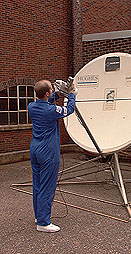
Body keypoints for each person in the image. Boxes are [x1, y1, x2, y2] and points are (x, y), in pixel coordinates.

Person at [28, 79, 76, 232]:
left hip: (35, 149)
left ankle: (39, 215)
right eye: (51, 89)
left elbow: (46, 101)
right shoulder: (51, 111)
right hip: (47, 151)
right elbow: (69, 109)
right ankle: (43, 222)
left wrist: (57, 94)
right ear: (47, 93)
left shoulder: (31, 106)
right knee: (47, 187)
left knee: (38, 184)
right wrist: (71, 94)